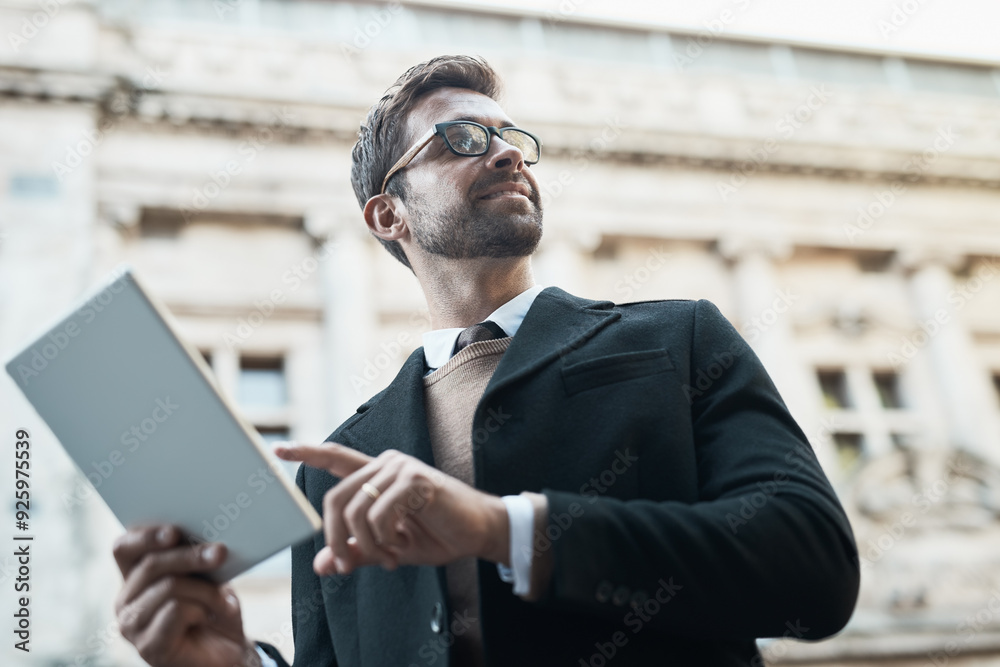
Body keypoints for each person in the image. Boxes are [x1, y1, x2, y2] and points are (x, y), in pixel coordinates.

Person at [113, 55, 860, 667]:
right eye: (462, 139)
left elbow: (814, 567)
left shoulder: (679, 340)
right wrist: (235, 663)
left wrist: (507, 528)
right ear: (388, 213)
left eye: (511, 138)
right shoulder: (338, 466)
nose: (506, 151)